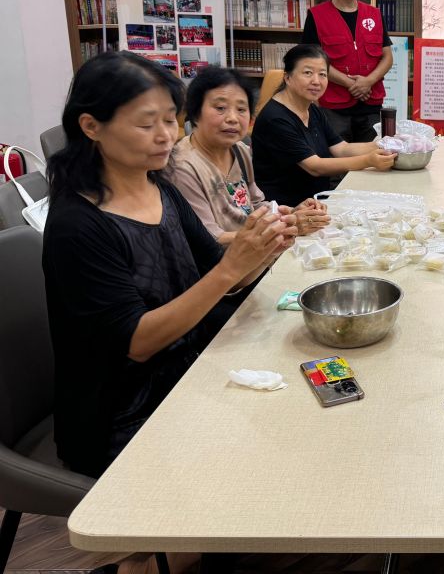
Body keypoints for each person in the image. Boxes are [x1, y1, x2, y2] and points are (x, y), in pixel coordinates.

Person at [42, 51, 297, 478]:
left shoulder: (159, 188)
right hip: (121, 413)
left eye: (170, 120)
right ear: (91, 126)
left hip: (188, 368)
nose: (166, 136)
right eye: (147, 124)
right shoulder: (77, 225)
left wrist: (265, 247)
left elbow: (220, 273)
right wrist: (233, 267)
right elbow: (138, 342)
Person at [168, 66, 331, 243]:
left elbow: (256, 205)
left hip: (256, 247)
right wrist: (287, 226)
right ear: (195, 113)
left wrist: (292, 212)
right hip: (226, 256)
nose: (232, 118)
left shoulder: (240, 150)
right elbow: (211, 237)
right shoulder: (183, 167)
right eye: (220, 108)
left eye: (241, 109)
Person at [251, 44, 395, 207]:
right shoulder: (275, 118)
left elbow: (342, 149)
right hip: (287, 209)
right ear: (287, 78)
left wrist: (385, 144)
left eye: (322, 74)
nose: (316, 81)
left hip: (317, 202)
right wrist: (369, 161)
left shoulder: (311, 108)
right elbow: (315, 166)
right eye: (308, 73)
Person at [301, 0, 392, 143]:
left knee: (374, 155)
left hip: (371, 104)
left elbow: (387, 56)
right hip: (334, 107)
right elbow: (312, 62)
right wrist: (351, 84)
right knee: (337, 158)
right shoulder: (316, 16)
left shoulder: (374, 14)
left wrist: (368, 81)